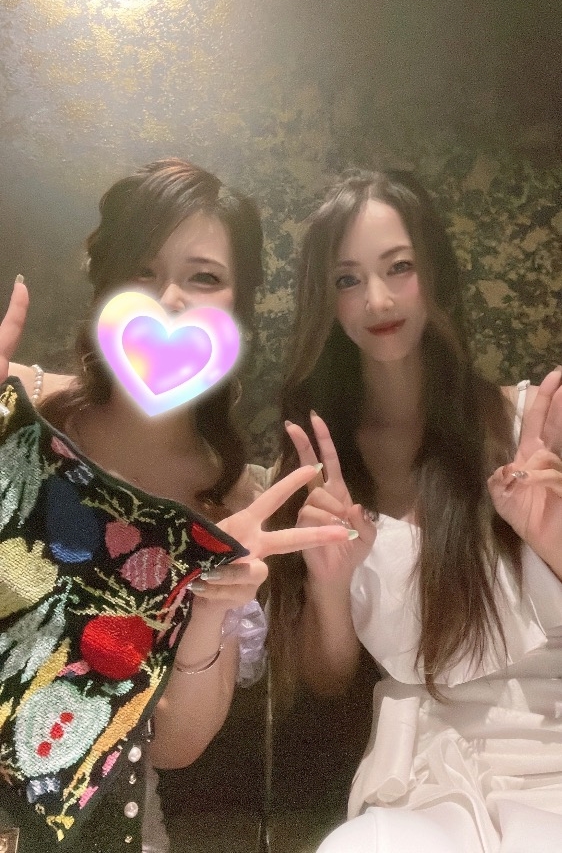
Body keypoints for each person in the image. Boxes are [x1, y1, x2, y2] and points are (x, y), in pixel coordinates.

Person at [0, 158, 354, 853]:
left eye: (204, 277)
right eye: (142, 269)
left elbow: (176, 747)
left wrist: (214, 603)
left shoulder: (232, 501)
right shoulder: (21, 407)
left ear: (238, 306)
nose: (167, 298)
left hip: (101, 821)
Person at [267, 167, 562, 852]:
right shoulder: (320, 465)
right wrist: (331, 583)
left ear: (435, 270)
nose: (376, 299)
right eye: (347, 279)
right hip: (425, 761)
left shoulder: (534, 425)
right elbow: (327, 681)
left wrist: (549, 537)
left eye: (398, 267)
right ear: (325, 301)